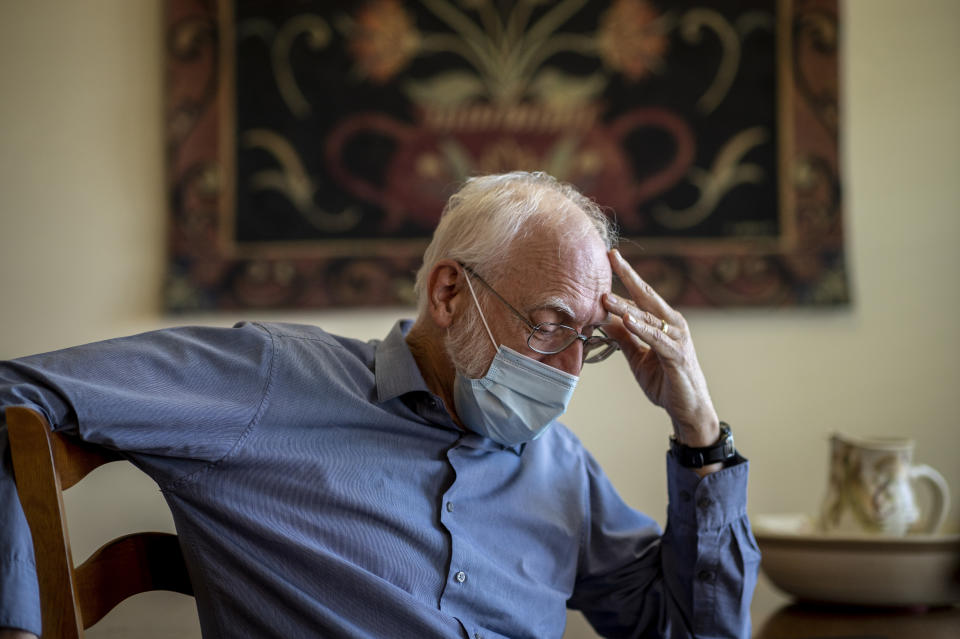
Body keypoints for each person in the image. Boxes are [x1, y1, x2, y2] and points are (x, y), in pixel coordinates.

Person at [0, 171, 758, 638]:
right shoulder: (271, 378)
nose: (568, 368)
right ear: (450, 293)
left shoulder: (559, 465)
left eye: (585, 340)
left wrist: (698, 433)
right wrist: (14, 623)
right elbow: (13, 393)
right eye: (550, 323)